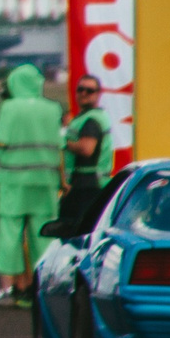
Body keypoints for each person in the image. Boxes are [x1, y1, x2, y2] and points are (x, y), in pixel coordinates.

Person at [0, 63, 66, 305]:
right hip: (45, 182)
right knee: (42, 235)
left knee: (10, 235)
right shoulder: (52, 108)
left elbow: (1, 141)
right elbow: (58, 146)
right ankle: (42, 287)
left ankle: (9, 289)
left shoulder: (10, 108)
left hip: (13, 181)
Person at [59, 74, 114, 233]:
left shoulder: (91, 120)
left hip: (86, 186)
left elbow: (86, 149)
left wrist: (63, 142)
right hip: (88, 184)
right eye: (80, 89)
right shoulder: (88, 117)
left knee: (77, 232)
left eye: (89, 90)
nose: (83, 93)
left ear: (98, 94)